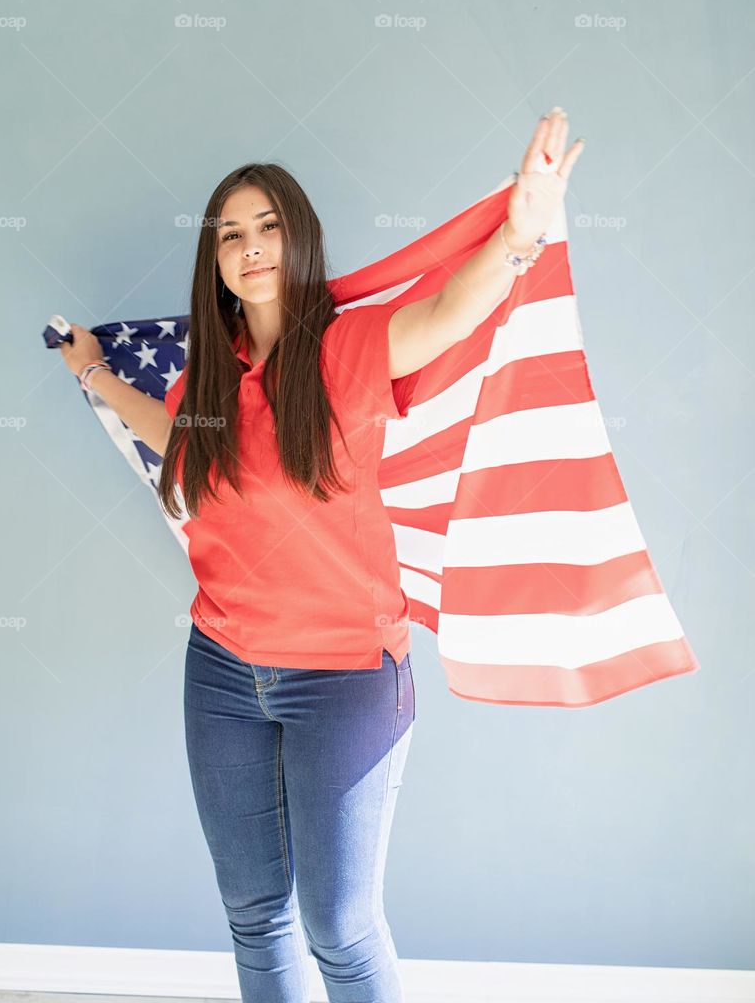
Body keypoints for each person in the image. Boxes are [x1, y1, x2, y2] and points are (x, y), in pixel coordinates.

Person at [59, 109, 584, 1002]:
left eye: (267, 227)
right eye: (231, 235)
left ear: (297, 240)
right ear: (214, 262)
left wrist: (520, 232)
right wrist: (94, 374)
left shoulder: (347, 349)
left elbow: (452, 312)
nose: (250, 247)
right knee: (254, 912)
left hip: (345, 677)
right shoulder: (208, 379)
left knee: (340, 927)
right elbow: (175, 434)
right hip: (222, 671)